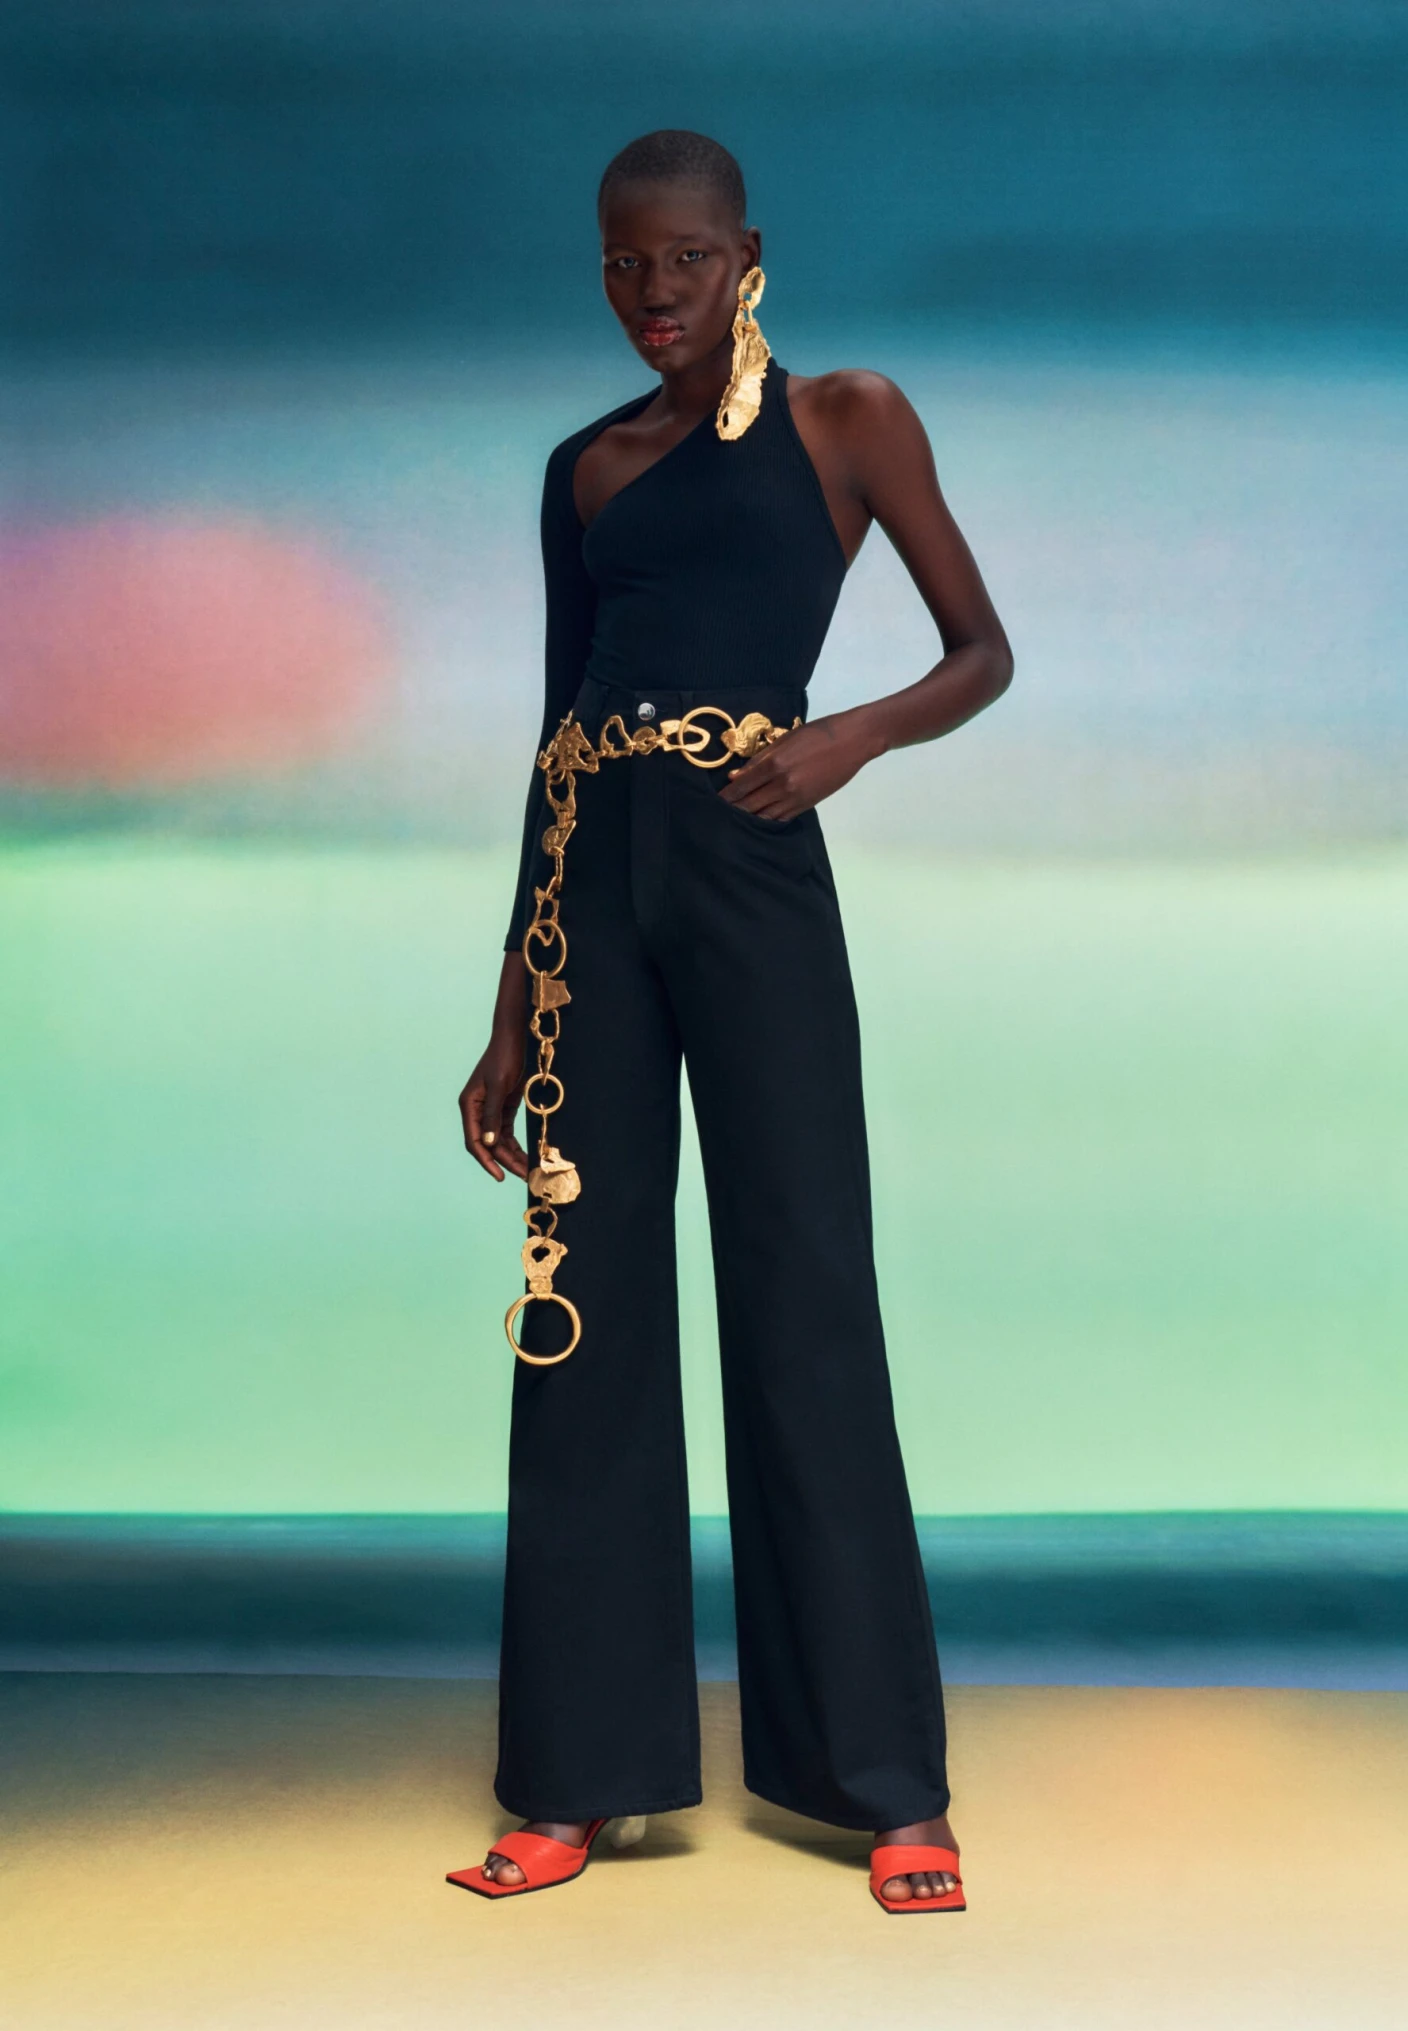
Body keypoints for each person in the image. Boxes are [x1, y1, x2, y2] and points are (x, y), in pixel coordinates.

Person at [449, 129, 1012, 1915]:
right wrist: (510, 1010)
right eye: (624, 264)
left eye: (684, 258)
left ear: (746, 251)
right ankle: (575, 1776)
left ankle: (884, 1785)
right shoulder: (586, 469)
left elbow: (982, 650)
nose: (654, 293)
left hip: (759, 868)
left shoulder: (851, 420)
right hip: (592, 900)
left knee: (804, 1295)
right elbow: (556, 735)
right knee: (582, 1312)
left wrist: (848, 738)